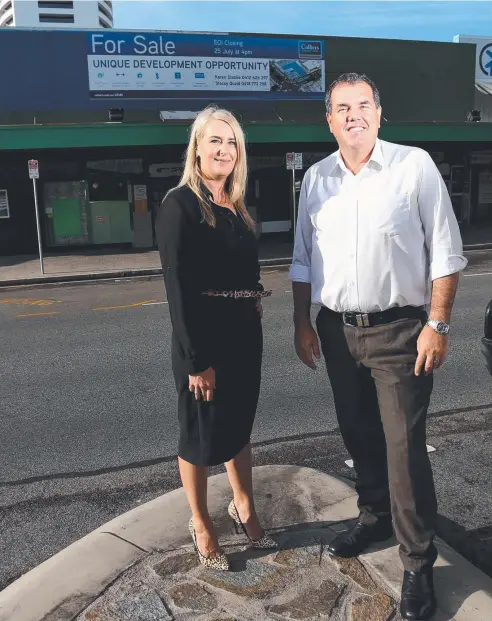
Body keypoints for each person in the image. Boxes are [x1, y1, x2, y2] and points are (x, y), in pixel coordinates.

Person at [289, 73, 467, 620]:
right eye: (341, 108)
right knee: (358, 431)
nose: (352, 116)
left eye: (361, 105)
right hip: (337, 331)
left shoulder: (414, 167)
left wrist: (437, 324)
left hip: (400, 332)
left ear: (379, 112)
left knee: (403, 448)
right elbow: (301, 259)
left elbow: (446, 250)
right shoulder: (316, 180)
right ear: (329, 119)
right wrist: (301, 321)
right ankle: (373, 516)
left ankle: (417, 562)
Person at [155, 106, 277, 571]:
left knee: (238, 425)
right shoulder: (179, 205)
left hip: (244, 332)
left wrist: (253, 297)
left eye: (232, 143)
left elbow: (246, 266)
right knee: (200, 434)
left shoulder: (237, 206)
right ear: (197, 148)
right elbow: (177, 289)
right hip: (203, 337)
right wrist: (195, 359)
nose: (224, 150)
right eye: (215, 141)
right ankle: (201, 522)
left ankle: (243, 506)